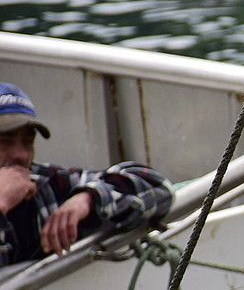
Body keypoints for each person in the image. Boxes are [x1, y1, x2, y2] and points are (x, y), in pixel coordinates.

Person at [0, 83, 174, 267]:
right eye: (5, 141)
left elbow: (160, 187)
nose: (21, 154)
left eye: (28, 141)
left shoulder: (47, 184)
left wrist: (89, 197)